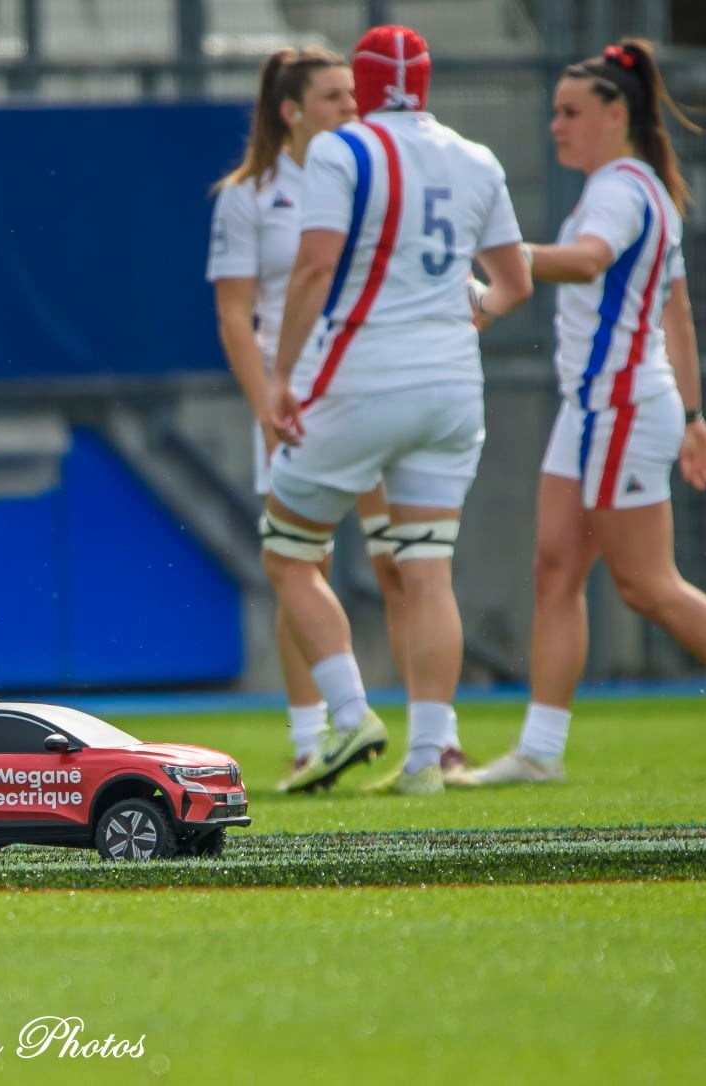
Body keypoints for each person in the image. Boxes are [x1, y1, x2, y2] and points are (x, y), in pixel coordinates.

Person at [457, 39, 706, 813]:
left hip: (615, 406)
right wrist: (692, 415)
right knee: (554, 568)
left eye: (570, 112)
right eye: (552, 113)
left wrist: (501, 259)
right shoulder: (637, 185)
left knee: (646, 584)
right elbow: (674, 312)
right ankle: (539, 750)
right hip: (595, 408)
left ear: (617, 113)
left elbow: (583, 262)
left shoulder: (618, 189)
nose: (555, 126)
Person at [263, 25, 533, 795]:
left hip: (361, 378)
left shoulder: (340, 151)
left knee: (286, 551)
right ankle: (425, 760)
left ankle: (349, 714)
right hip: (452, 386)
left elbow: (316, 264)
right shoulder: (475, 157)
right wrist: (464, 310)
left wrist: (283, 373)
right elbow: (513, 285)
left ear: (367, 86)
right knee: (425, 570)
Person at [207, 46, 471, 790]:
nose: (351, 109)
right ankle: (309, 738)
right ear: (291, 112)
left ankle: (435, 741)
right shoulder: (247, 196)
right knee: (303, 564)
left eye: (354, 96)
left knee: (399, 563)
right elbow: (233, 314)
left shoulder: (368, 174)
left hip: (368, 385)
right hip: (296, 402)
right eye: (333, 98)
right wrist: (264, 399)